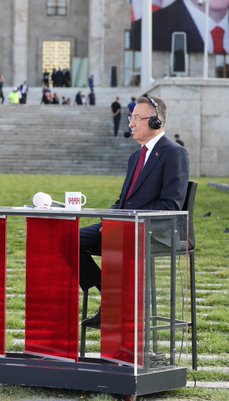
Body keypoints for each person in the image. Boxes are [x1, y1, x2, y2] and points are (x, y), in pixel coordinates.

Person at [80, 95, 190, 327]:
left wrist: (128, 219)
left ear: (156, 122)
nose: (130, 123)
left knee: (117, 238)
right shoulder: (135, 157)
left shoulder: (174, 153)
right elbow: (123, 201)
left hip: (154, 229)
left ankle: (115, 302)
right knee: (69, 239)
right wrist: (111, 215)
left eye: (137, 118)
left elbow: (171, 205)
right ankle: (112, 296)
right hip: (124, 225)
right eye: (131, 117)